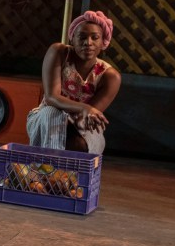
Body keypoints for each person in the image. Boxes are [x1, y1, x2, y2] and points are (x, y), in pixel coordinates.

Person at [27, 10, 121, 155]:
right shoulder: (59, 53)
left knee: (79, 142)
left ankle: (59, 166)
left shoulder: (110, 76)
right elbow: (51, 97)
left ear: (103, 42)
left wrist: (84, 114)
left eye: (95, 37)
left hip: (79, 123)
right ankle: (48, 166)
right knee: (52, 113)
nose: (88, 43)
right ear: (72, 38)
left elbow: (88, 116)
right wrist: (85, 108)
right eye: (81, 37)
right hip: (46, 119)